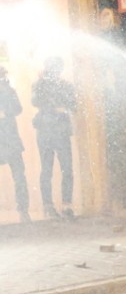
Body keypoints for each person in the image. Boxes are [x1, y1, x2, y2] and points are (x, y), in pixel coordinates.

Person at [31, 56, 76, 219]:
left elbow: (73, 103)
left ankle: (66, 205)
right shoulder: (39, 84)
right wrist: (43, 84)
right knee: (47, 169)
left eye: (57, 68)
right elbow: (35, 101)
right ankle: (48, 205)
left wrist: (59, 106)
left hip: (61, 131)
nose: (55, 71)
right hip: (45, 131)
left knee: (67, 169)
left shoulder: (65, 85)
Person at [0, 66, 30, 223]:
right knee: (19, 175)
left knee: (19, 175)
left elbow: (18, 108)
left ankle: (23, 209)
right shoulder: (8, 89)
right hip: (9, 139)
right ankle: (23, 209)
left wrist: (5, 112)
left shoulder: (9, 90)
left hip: (10, 139)